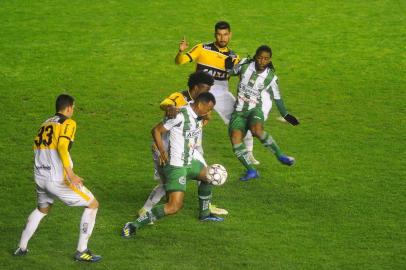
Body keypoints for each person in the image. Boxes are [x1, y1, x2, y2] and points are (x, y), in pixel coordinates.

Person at [122, 92, 223, 238]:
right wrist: (162, 152)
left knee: (209, 176)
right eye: (208, 108)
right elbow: (156, 130)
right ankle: (133, 225)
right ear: (200, 104)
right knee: (174, 206)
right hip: (177, 166)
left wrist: (205, 117)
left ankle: (205, 214)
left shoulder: (197, 116)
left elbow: (199, 123)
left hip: (190, 162)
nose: (209, 112)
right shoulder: (180, 115)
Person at [14, 94, 102, 262]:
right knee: (92, 204)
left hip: (40, 176)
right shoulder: (68, 123)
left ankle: (21, 247)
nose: (73, 111)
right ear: (68, 108)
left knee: (42, 210)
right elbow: (62, 146)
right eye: (73, 108)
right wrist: (71, 174)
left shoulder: (45, 123)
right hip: (57, 179)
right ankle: (82, 251)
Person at [138, 72, 228, 218]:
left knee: (207, 173)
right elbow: (165, 104)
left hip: (189, 146)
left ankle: (205, 208)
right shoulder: (180, 97)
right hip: (167, 145)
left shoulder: (203, 103)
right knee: (167, 181)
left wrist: (198, 126)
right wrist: (170, 108)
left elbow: (206, 118)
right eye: (206, 88)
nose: (208, 92)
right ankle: (146, 209)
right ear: (195, 87)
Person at [175, 21, 261, 165]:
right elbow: (180, 61)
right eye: (219, 35)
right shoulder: (202, 48)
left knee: (242, 121)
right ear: (215, 35)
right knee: (192, 123)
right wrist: (180, 52)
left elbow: (243, 77)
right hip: (200, 94)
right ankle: (196, 156)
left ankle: (249, 154)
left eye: (225, 35)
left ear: (230, 35)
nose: (222, 38)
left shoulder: (234, 58)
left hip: (222, 94)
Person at [229, 45, 300, 181]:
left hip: (255, 109)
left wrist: (286, 115)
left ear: (269, 60)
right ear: (255, 57)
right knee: (235, 140)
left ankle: (280, 156)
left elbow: (277, 97)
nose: (262, 61)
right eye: (260, 58)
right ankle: (251, 171)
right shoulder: (245, 64)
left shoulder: (271, 78)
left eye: (266, 59)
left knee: (257, 130)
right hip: (238, 111)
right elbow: (231, 72)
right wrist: (229, 65)